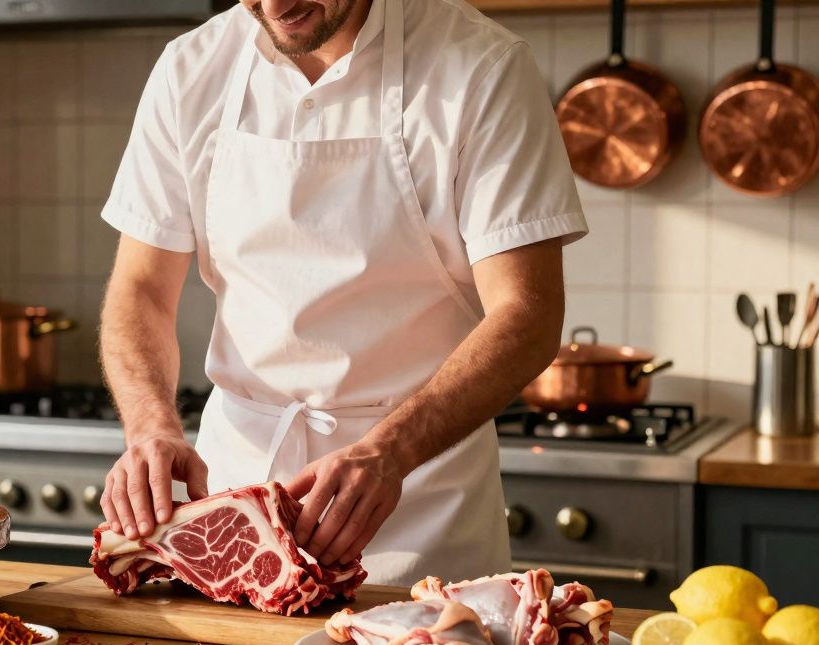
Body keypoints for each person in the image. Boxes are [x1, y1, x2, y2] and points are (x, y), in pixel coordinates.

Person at [97, 0, 586, 585]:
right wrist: (151, 425)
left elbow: (526, 314)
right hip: (239, 503)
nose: (274, 5)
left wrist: (392, 452)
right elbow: (142, 288)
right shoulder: (190, 68)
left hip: (420, 504)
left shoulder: (481, 66)